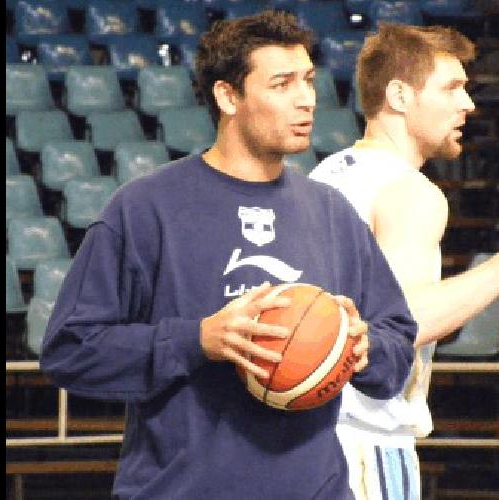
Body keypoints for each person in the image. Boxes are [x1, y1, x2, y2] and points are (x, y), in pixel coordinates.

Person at [39, 11, 418, 499]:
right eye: (282, 84)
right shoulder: (145, 209)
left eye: (308, 80)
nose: (306, 99)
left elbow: (397, 345)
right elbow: (71, 349)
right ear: (228, 96)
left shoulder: (332, 213)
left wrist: (364, 351)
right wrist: (197, 340)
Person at [308, 23, 499, 500]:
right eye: (452, 87)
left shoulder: (325, 174)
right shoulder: (410, 191)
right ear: (399, 95)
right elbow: (405, 321)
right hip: (366, 442)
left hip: (310, 436)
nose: (468, 104)